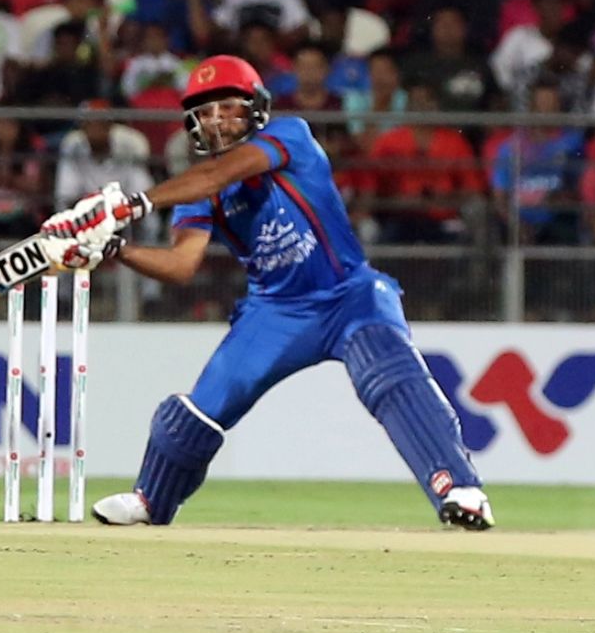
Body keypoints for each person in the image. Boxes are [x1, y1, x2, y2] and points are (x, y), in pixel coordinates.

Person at [38, 54, 494, 530]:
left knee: (391, 379)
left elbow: (221, 174)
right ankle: (151, 501)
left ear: (255, 107)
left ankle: (460, 489)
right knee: (193, 414)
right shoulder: (196, 188)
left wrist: (133, 204)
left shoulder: (289, 135)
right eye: (206, 111)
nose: (217, 120)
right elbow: (180, 265)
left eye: (228, 107)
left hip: (348, 295)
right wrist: (114, 250)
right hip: (274, 311)